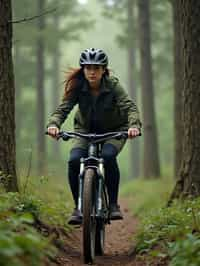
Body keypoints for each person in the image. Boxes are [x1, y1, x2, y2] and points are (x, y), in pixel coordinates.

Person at [47, 48, 142, 225]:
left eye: (96, 68)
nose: (92, 72)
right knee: (75, 160)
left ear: (104, 70)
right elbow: (63, 109)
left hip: (114, 130)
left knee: (107, 156)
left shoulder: (113, 85)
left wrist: (134, 126)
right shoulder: (78, 87)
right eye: (88, 67)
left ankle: (113, 204)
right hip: (84, 130)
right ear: (83, 69)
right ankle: (78, 207)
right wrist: (53, 124)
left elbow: (130, 107)